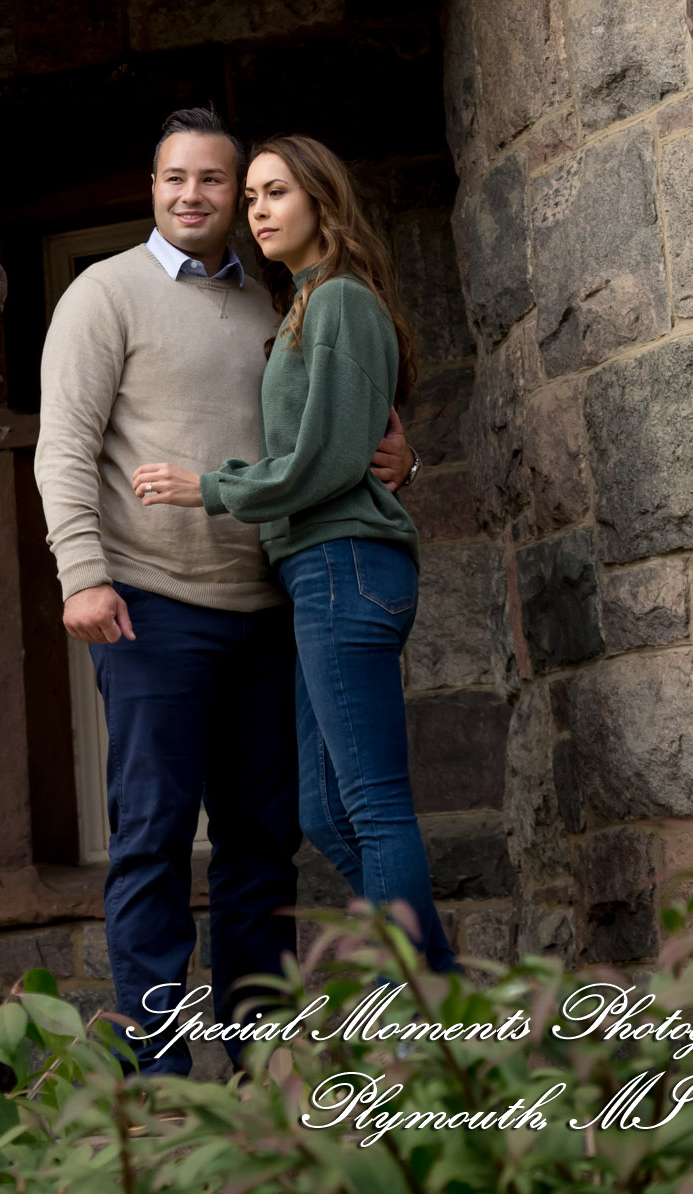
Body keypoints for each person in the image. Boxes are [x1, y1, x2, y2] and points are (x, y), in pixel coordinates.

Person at [34, 107, 415, 1074]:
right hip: (151, 603)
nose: (196, 196)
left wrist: (399, 458)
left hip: (272, 607)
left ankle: (258, 1071)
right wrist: (82, 573)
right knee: (154, 842)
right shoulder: (101, 293)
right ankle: (160, 1075)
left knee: (263, 850)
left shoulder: (276, 302)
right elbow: (64, 449)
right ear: (153, 187)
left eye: (219, 182)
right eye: (178, 179)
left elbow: (326, 429)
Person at [133, 133, 456, 973]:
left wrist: (212, 487)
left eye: (275, 193)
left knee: (376, 808)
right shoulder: (308, 304)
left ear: (322, 202)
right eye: (253, 199)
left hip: (344, 563)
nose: (258, 211)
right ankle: (448, 994)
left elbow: (328, 461)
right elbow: (357, 448)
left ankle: (437, 1019)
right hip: (314, 570)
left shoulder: (342, 300)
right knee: (323, 812)